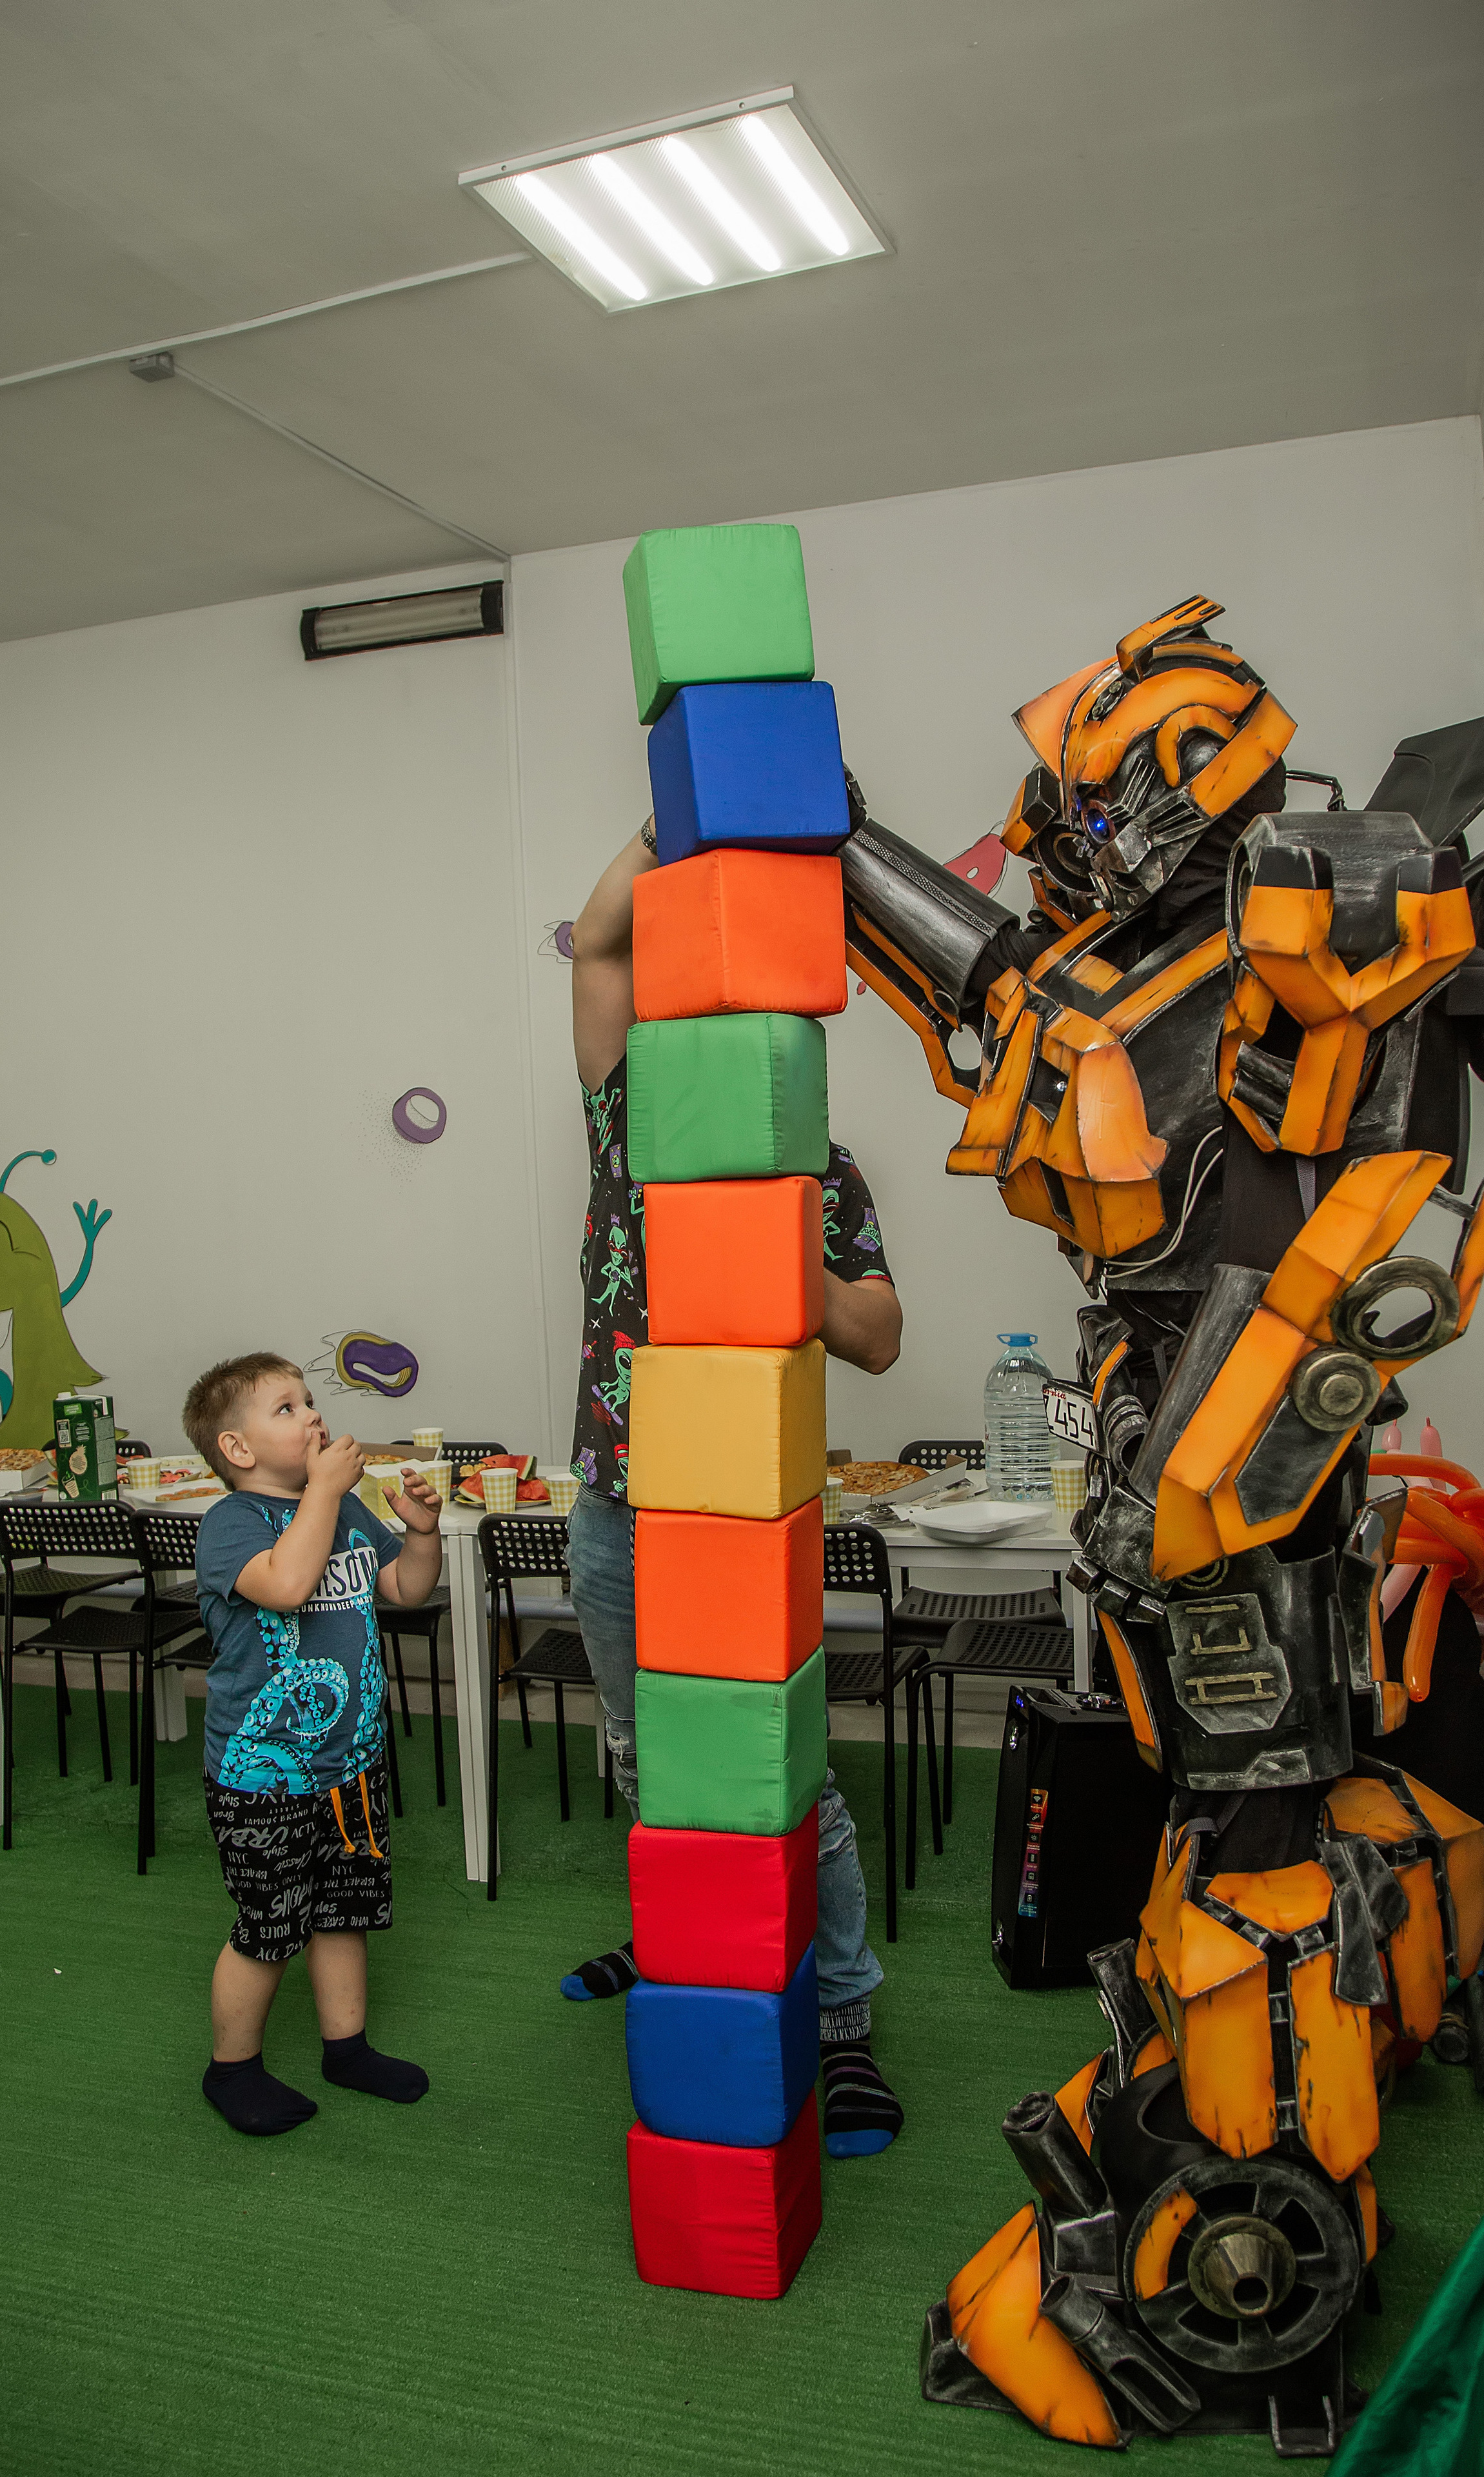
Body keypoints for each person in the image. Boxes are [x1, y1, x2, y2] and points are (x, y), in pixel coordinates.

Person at [565, 822, 907, 2159]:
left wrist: (780, 1256)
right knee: (653, 1763)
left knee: (787, 1774)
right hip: (612, 1508)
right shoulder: (623, 1123)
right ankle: (685, 1966)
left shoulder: (820, 1168)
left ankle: (839, 2020)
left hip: (739, 1514)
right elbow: (596, 942)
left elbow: (877, 1335)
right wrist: (667, 827)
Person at [183, 1352, 444, 2137]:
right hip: (261, 1779)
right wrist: (327, 1492)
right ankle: (231, 2069)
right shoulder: (231, 1526)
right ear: (238, 1449)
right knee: (268, 1928)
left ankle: (348, 2048)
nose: (315, 1418)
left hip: (352, 1768)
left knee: (342, 1913)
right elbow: (289, 1585)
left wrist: (420, 1533)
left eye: (311, 1403)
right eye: (288, 1409)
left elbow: (404, 1589)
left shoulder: (345, 1511)